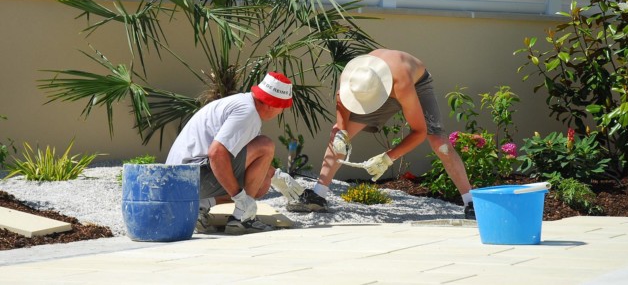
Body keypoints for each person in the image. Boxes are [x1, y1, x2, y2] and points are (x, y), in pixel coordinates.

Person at [287, 49, 476, 219]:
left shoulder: (401, 83)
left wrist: (387, 158)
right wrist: (342, 134)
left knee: (439, 142)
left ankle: (471, 202)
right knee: (337, 131)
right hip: (374, 86)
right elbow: (341, 103)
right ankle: (318, 195)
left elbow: (419, 132)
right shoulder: (353, 76)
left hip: (415, 83)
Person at [166, 72, 304, 235]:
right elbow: (216, 154)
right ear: (270, 103)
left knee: (262, 184)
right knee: (265, 145)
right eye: (282, 107)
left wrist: (276, 176)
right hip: (191, 178)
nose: (280, 112)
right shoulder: (247, 112)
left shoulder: (244, 104)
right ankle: (242, 219)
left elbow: (246, 160)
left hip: (181, 181)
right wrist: (239, 197)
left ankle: (199, 206)